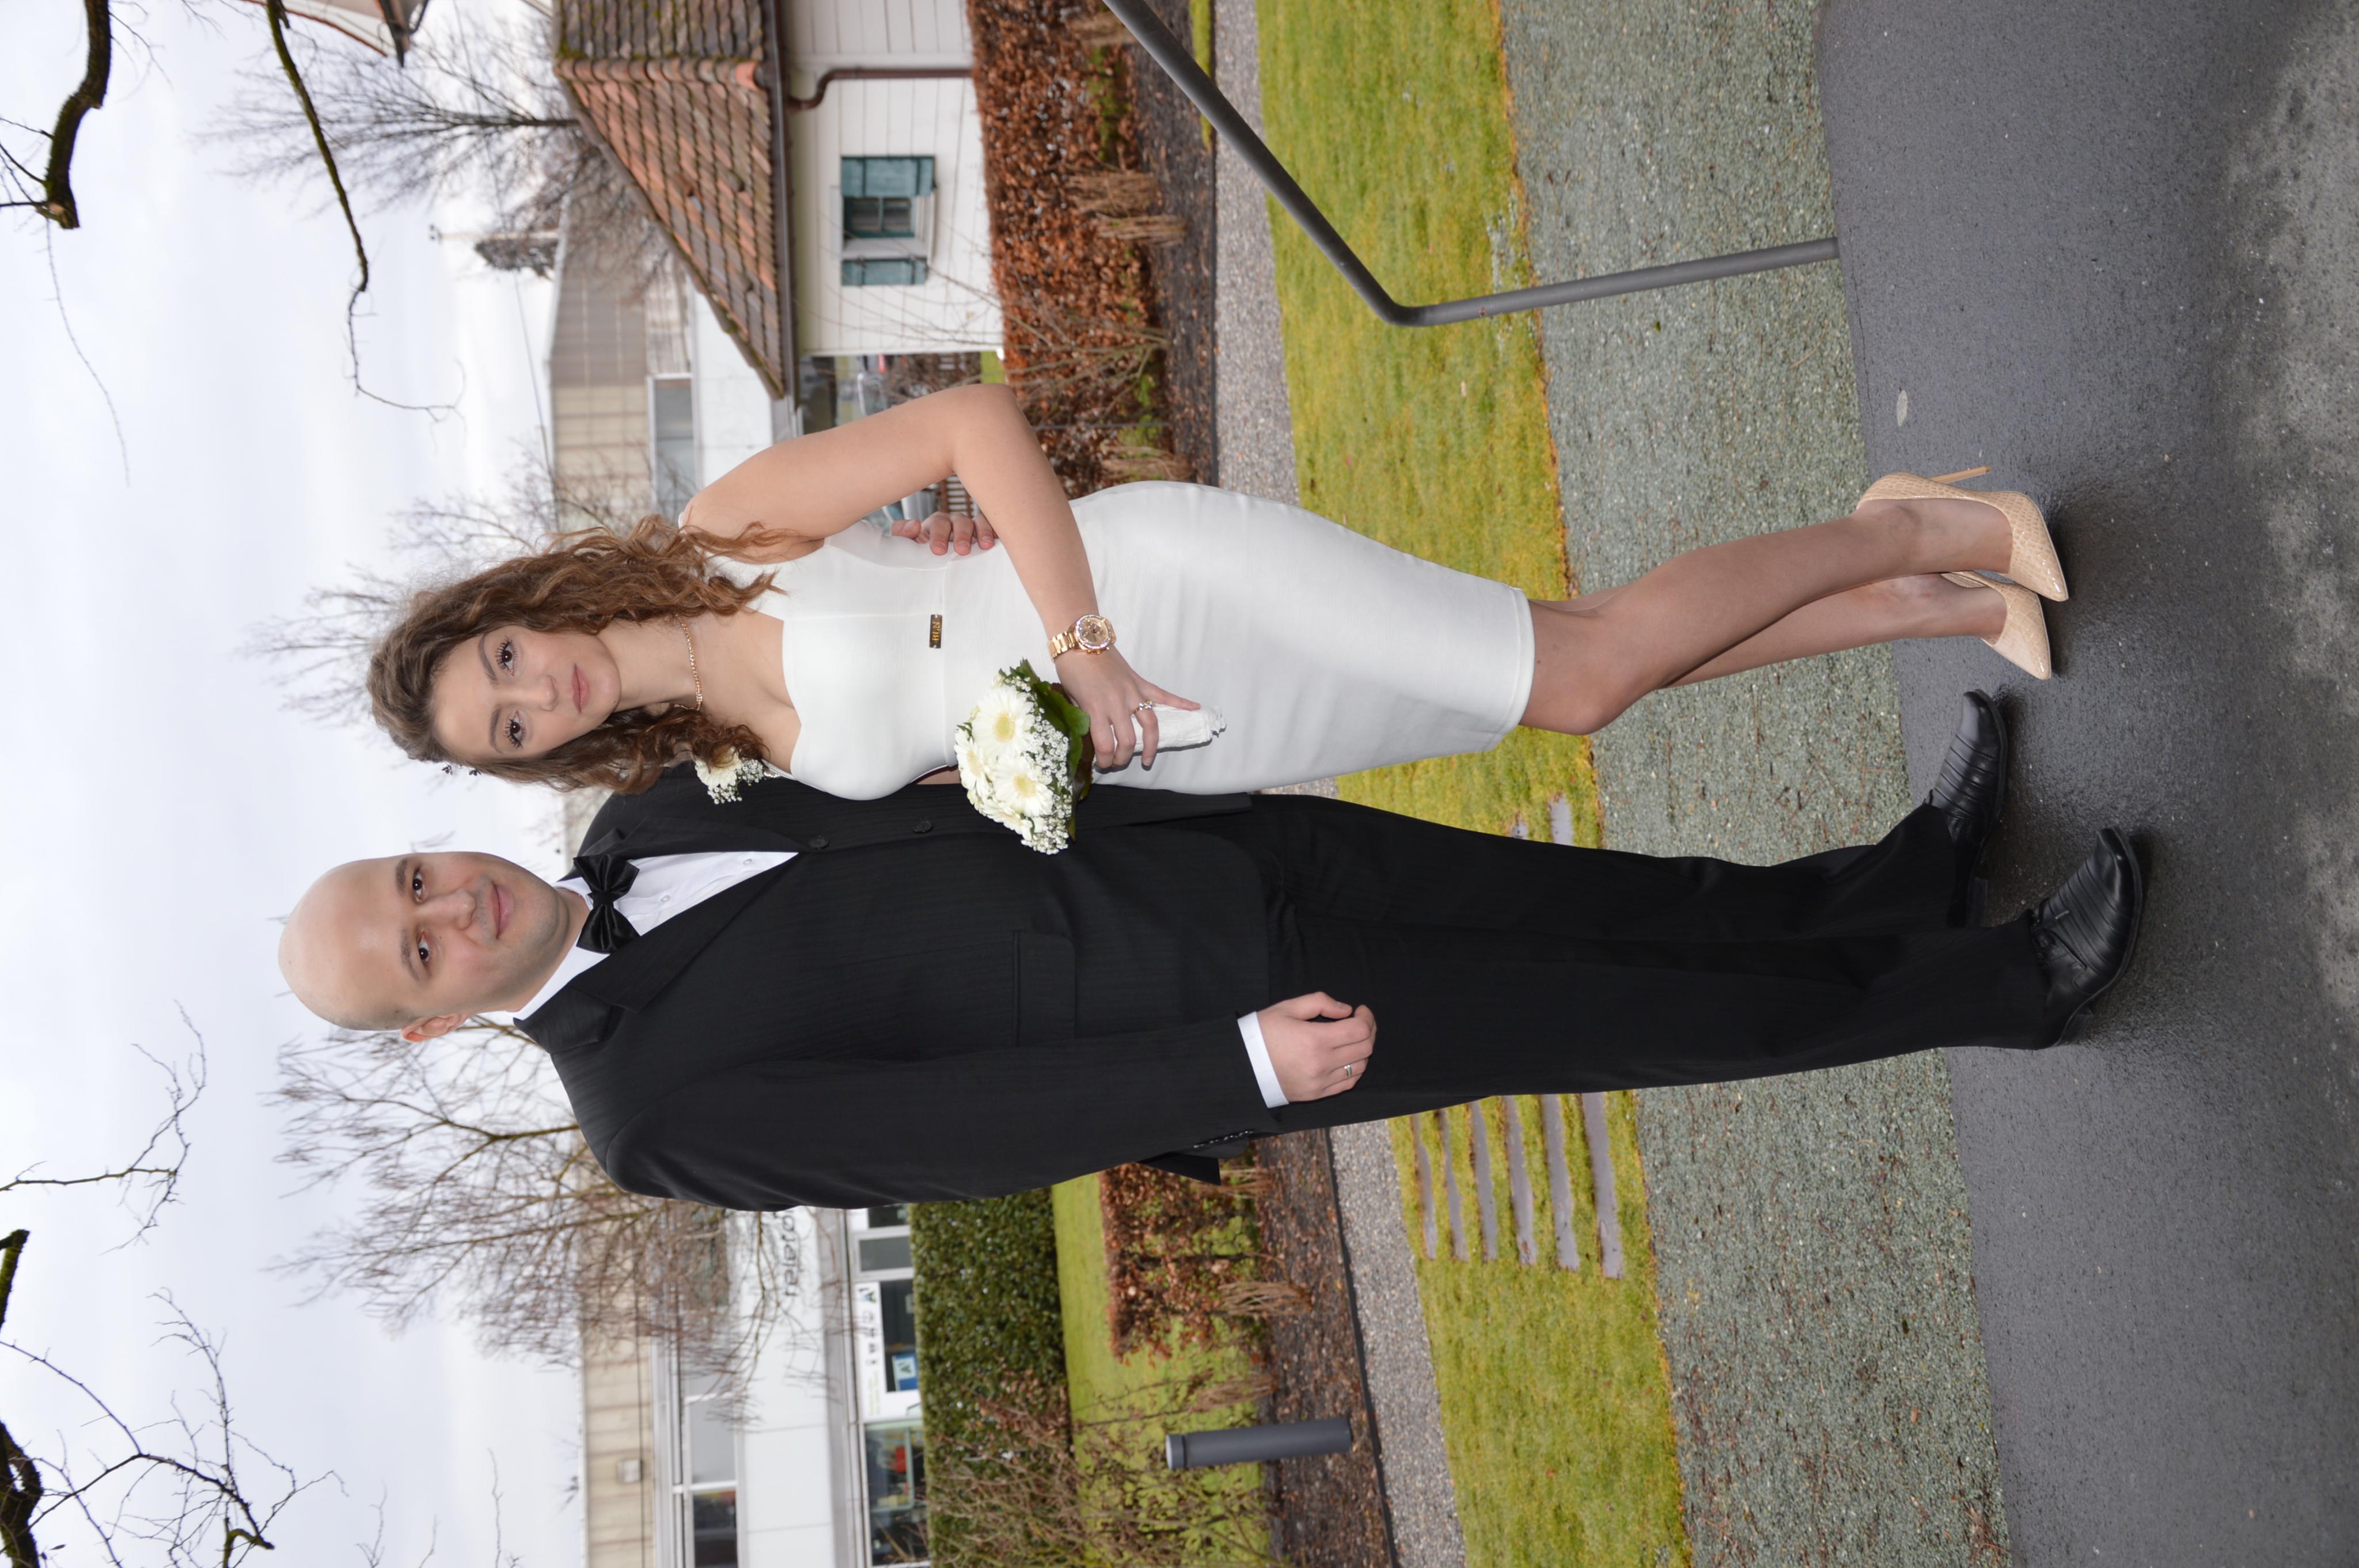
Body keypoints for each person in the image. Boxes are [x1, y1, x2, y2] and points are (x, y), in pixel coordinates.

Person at [277, 696, 2143, 1210]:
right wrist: (1230, 1071)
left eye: (413, 876)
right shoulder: (647, 1113)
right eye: (414, 954)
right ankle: (2006, 991)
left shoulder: (642, 810)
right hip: (1248, 1011)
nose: (451, 909)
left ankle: (1897, 885)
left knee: (1613, 902)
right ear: (434, 1026)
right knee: (1618, 1014)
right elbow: (951, 1135)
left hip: (1216, 852)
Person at [364, 382, 2061, 799]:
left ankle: (1935, 529)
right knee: (1556, 672)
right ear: (537, 757)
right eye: (507, 726)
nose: (534, 694)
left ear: (524, 606)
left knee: (1587, 671)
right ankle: (1941, 608)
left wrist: (1079, 640)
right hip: (1192, 736)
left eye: (502, 659)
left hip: (1163, 594)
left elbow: (969, 425)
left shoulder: (724, 531)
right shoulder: (732, 763)